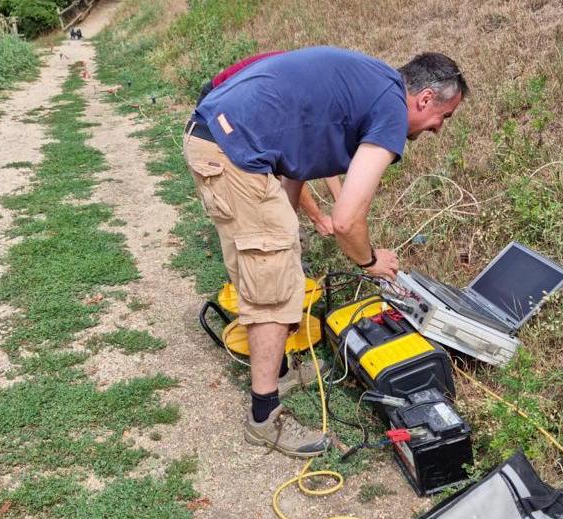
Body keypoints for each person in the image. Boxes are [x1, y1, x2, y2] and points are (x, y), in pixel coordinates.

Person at [183, 47, 468, 458]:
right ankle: (265, 418)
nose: (438, 129)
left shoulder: (373, 83)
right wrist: (371, 261)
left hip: (222, 138)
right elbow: (348, 221)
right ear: (425, 99)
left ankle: (277, 372)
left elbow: (299, 159)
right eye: (444, 117)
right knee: (274, 282)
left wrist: (289, 230)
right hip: (233, 148)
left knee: (270, 262)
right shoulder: (389, 107)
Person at [196, 52, 342, 237]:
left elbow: (323, 150)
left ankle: (281, 233)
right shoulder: (296, 91)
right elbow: (293, 166)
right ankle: (271, 237)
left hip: (247, 97)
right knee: (258, 178)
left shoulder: (315, 86)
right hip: (219, 99)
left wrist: (341, 204)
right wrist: (318, 217)